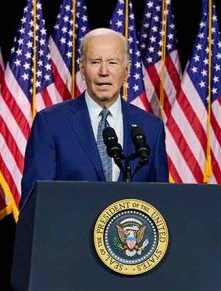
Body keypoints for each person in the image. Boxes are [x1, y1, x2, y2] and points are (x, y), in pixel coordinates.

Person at [20, 28, 168, 202]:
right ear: (82, 70)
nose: (104, 71)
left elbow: (161, 201)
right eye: (95, 62)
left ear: (126, 71)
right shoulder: (51, 124)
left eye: (112, 62)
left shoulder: (151, 128)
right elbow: (35, 201)